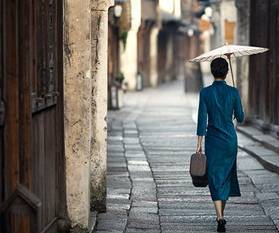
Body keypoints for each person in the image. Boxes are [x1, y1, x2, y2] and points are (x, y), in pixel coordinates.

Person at [196, 57, 244, 232]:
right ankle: (221, 215)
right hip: (230, 141)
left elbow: (202, 120)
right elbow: (241, 117)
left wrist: (198, 144)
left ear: (212, 71)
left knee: (215, 177)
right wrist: (237, 106)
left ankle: (219, 216)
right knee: (225, 177)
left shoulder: (205, 93)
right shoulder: (234, 92)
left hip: (213, 141)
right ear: (227, 72)